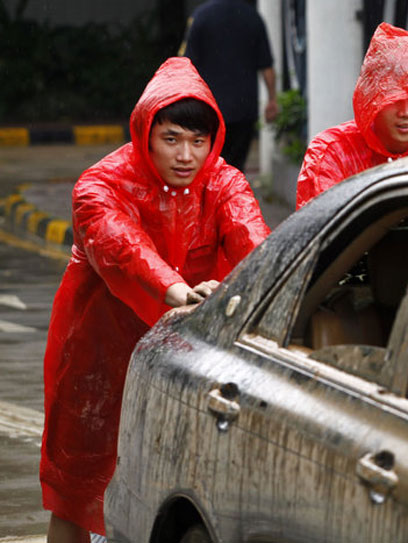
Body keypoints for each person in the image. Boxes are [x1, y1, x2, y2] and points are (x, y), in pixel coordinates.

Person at [40, 57, 270, 543]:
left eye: (198, 141)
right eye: (172, 139)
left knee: (185, 482)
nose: (186, 155)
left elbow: (255, 241)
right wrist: (178, 290)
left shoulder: (223, 182)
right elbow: (123, 246)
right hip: (99, 350)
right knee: (78, 486)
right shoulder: (100, 185)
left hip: (188, 350)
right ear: (146, 134)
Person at [295, 22, 408, 209]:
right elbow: (319, 223)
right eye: (393, 99)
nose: (406, 112)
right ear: (371, 101)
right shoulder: (333, 153)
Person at [181, 0, 279, 172]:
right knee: (235, 168)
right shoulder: (252, 17)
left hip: (208, 109)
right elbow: (267, 67)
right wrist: (272, 99)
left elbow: (186, 64)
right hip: (243, 109)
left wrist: (184, 101)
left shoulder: (201, 16)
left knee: (208, 166)